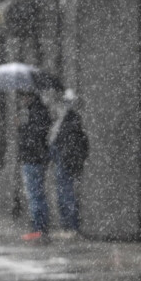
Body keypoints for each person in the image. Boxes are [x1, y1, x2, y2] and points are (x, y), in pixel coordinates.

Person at [49, 89, 89, 239]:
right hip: (64, 161)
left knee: (67, 195)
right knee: (63, 194)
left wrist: (67, 157)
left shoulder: (71, 120)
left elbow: (72, 143)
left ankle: (70, 227)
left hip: (66, 162)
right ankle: (67, 227)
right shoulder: (65, 120)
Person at [17, 91, 53, 241]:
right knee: (36, 194)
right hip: (35, 158)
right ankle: (40, 227)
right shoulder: (37, 112)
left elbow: (34, 137)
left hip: (33, 159)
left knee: (34, 194)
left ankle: (38, 228)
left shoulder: (36, 113)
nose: (22, 100)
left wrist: (22, 128)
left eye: (24, 97)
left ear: (30, 97)